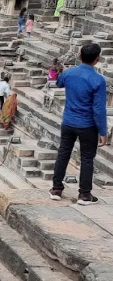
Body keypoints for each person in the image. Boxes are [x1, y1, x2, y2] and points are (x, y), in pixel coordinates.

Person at [50, 43, 107, 205]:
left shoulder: (69, 73)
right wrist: (103, 131)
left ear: (80, 56)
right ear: (97, 59)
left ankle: (56, 189)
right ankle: (84, 195)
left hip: (68, 122)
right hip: (88, 125)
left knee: (63, 153)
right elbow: (99, 109)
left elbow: (59, 83)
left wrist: (61, 70)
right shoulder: (98, 80)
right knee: (87, 159)